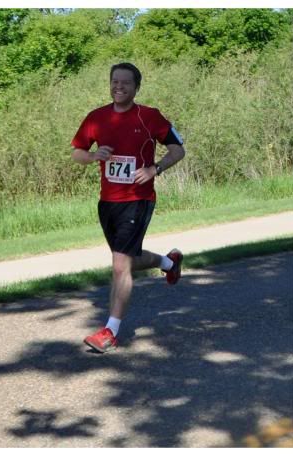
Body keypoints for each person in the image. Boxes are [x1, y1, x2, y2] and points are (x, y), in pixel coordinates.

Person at [73, 62, 186, 353]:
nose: (118, 87)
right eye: (114, 81)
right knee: (127, 260)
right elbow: (77, 152)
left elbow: (178, 149)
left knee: (120, 264)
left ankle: (110, 331)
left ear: (136, 87)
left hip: (138, 199)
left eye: (125, 82)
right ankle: (169, 263)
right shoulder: (96, 118)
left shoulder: (149, 117)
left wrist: (155, 168)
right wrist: (93, 155)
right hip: (107, 202)